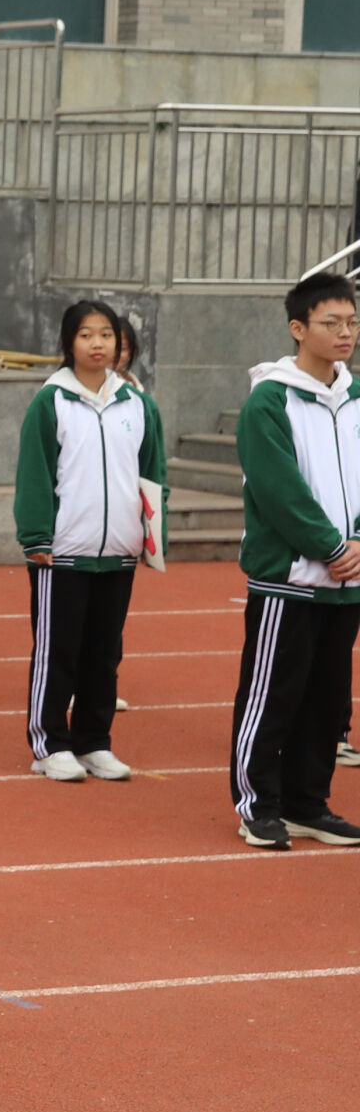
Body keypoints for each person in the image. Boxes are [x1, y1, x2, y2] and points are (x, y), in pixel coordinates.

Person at [227, 274, 360, 847]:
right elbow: (278, 489)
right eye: (331, 323)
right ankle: (257, 804)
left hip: (346, 581)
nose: (345, 333)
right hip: (290, 579)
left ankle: (308, 803)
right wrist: (331, 546)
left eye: (352, 322)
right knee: (272, 695)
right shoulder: (269, 400)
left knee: (327, 700)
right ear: (298, 328)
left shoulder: (356, 398)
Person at [13, 298, 165, 783]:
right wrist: (37, 535)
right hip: (63, 552)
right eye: (86, 334)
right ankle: (49, 744)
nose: (98, 344)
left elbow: (152, 475)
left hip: (118, 551)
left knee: (105, 653)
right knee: (57, 652)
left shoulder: (138, 405)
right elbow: (34, 472)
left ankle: (94, 741)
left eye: (106, 334)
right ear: (68, 342)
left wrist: (150, 536)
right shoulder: (51, 402)